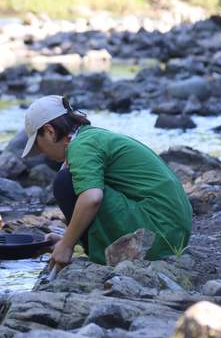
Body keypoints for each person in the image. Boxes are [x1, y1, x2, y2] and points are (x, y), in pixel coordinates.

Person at [21, 96, 192, 272]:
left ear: (50, 131)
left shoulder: (82, 145)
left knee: (65, 183)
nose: (42, 152)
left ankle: (101, 255)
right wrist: (67, 240)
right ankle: (92, 248)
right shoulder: (92, 137)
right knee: (74, 183)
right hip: (171, 234)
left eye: (39, 145)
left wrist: (67, 245)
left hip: (158, 236)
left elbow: (92, 198)